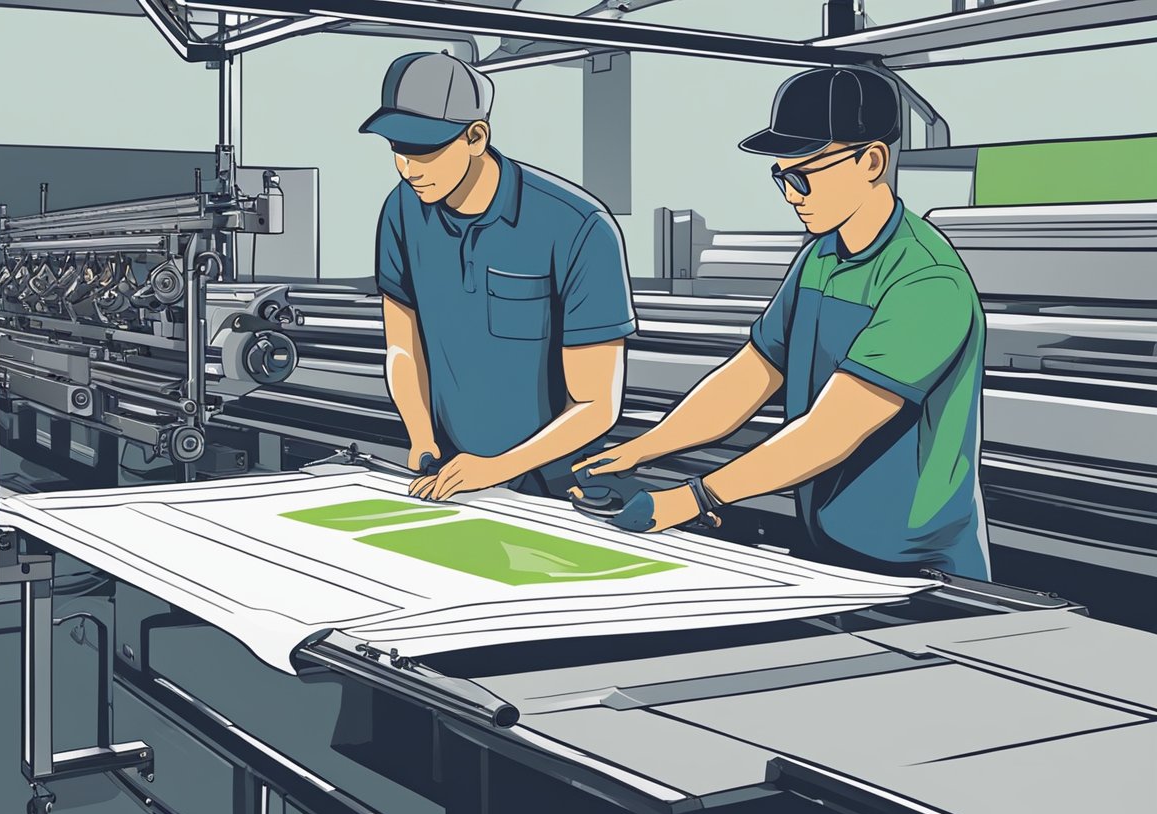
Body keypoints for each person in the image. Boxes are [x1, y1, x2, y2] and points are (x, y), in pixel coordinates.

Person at [575, 67, 990, 580]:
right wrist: (640, 449)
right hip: (828, 545)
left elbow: (830, 431)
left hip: (918, 568)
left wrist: (696, 496)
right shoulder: (820, 255)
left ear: (872, 160)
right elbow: (750, 375)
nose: (791, 194)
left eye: (803, 176)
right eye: (781, 176)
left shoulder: (927, 282)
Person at [361, 52, 637, 502]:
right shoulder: (402, 210)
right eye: (398, 150)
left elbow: (596, 404)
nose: (410, 170)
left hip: (558, 485)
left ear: (475, 136)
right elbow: (402, 346)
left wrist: (498, 469)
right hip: (454, 473)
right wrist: (422, 437)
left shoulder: (579, 226)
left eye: (426, 151)